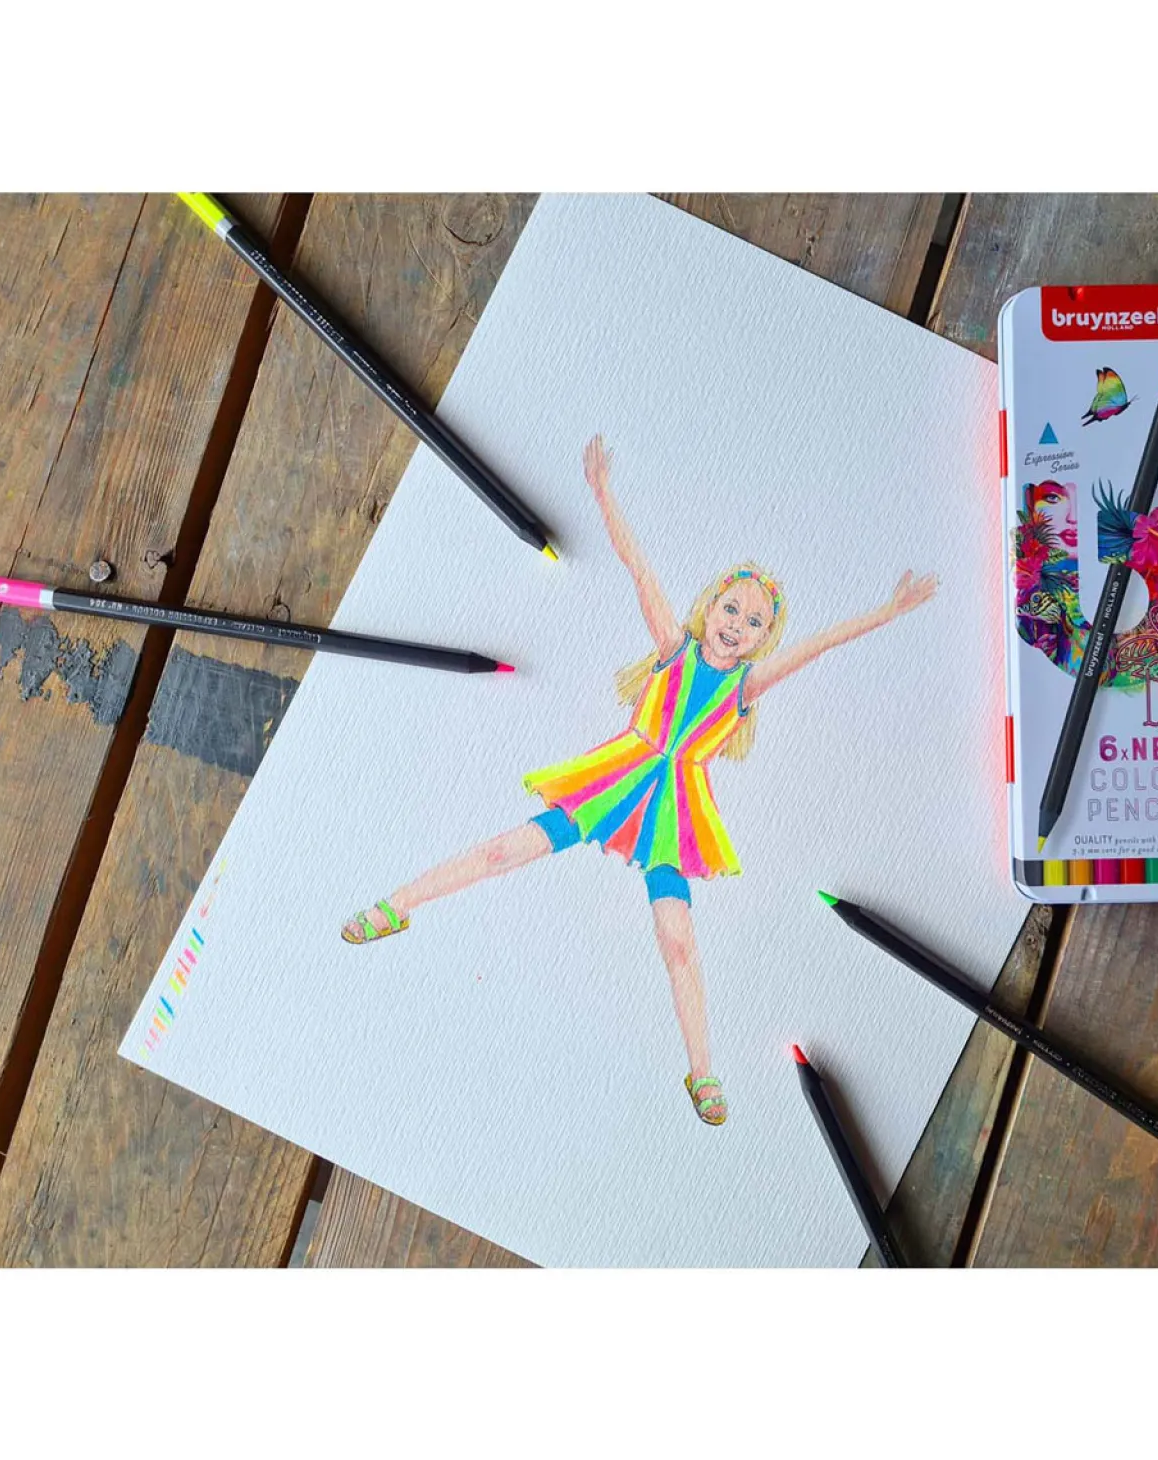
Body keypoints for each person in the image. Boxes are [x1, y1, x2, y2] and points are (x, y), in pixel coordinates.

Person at [342, 435, 936, 1126]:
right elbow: (638, 569)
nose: (738, 626)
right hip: (615, 781)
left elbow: (819, 646)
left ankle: (702, 1071)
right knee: (505, 849)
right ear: (709, 607)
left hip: (673, 815)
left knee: (677, 937)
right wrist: (603, 493)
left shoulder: (746, 687)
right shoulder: (674, 648)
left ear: (763, 639)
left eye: (754, 622)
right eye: (731, 609)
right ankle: (398, 904)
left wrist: (887, 614)